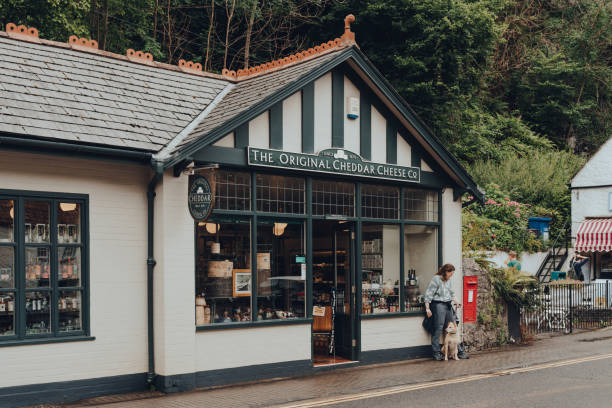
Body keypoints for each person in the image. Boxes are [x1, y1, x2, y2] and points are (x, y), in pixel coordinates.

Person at [424, 264, 469, 361]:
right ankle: (436, 353)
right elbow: (429, 294)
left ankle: (459, 351)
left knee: (453, 327)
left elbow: (452, 293)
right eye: (451, 274)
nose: (451, 276)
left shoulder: (449, 280)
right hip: (438, 304)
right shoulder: (436, 279)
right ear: (445, 272)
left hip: (448, 304)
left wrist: (457, 301)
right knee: (439, 328)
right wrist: (427, 308)